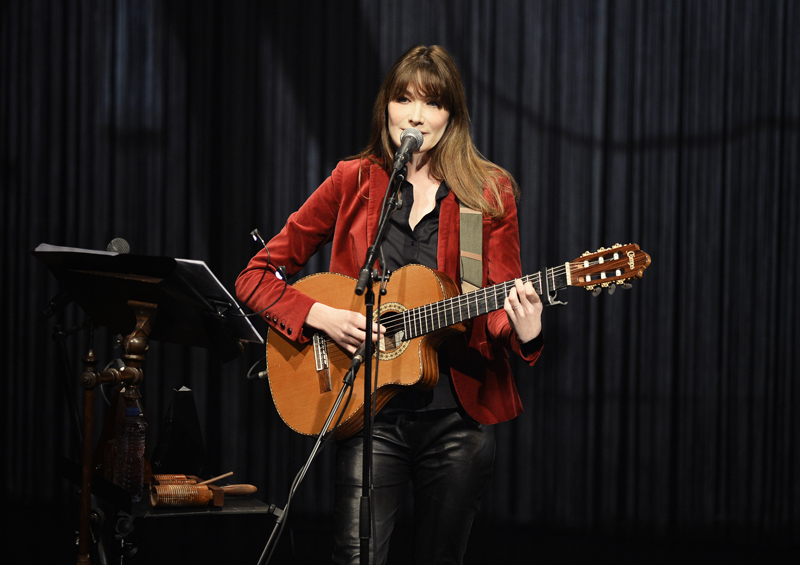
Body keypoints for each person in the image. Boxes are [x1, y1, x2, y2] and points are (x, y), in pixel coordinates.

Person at [236, 44, 544, 565]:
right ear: (387, 106)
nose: (416, 116)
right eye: (404, 99)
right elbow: (255, 276)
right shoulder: (353, 180)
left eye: (433, 103)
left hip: (454, 423)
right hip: (367, 412)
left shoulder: (485, 193)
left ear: (453, 116)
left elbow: (493, 306)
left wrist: (526, 329)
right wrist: (321, 315)